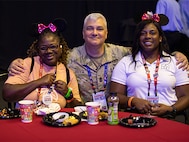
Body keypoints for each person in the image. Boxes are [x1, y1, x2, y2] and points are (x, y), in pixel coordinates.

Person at [7, 13, 188, 110]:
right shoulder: (69, 57)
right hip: (84, 113)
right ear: (83, 33)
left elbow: (147, 47)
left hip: (115, 113)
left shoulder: (122, 53)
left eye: (99, 29)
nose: (95, 32)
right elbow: (47, 54)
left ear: (106, 33)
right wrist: (16, 62)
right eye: (90, 29)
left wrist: (179, 54)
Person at [110, 11, 189, 123]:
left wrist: (171, 109)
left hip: (170, 118)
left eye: (152, 33)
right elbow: (114, 95)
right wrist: (133, 101)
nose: (147, 36)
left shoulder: (175, 62)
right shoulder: (126, 62)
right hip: (137, 119)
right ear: (138, 38)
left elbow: (186, 96)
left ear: (160, 37)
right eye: (143, 33)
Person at [2, 18, 82, 108]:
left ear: (60, 47)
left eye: (53, 46)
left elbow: (78, 108)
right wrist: (38, 82)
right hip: (26, 120)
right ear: (38, 49)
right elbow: (7, 94)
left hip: (54, 121)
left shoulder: (68, 73)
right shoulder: (27, 65)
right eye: (43, 48)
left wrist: (67, 94)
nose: (49, 51)